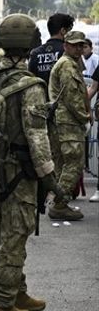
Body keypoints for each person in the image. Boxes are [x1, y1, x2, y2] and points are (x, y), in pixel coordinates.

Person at [0, 15, 61, 311]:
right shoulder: (30, 85)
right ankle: (2, 304)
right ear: (30, 43)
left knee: (5, 232)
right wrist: (50, 179)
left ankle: (17, 291)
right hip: (18, 173)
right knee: (15, 235)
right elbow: (37, 136)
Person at [47, 31, 91, 221]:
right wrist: (85, 117)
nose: (78, 48)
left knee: (62, 164)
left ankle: (57, 201)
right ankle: (59, 204)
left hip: (62, 122)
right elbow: (72, 98)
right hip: (69, 123)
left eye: (81, 45)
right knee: (74, 164)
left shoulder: (71, 63)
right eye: (74, 45)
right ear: (66, 45)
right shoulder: (67, 65)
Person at [29, 12, 74, 82]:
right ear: (63, 31)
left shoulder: (35, 53)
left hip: (40, 92)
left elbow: (30, 78)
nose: (70, 34)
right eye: (69, 31)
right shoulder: (69, 50)